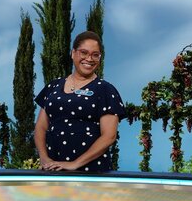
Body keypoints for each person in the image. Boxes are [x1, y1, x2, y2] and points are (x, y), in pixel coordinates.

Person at [34, 31, 125, 171]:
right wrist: (44, 158)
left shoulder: (105, 90)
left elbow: (109, 136)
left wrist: (75, 164)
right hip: (53, 170)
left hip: (92, 173)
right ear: (73, 53)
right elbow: (40, 127)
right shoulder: (53, 86)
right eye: (84, 52)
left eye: (95, 55)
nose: (89, 58)